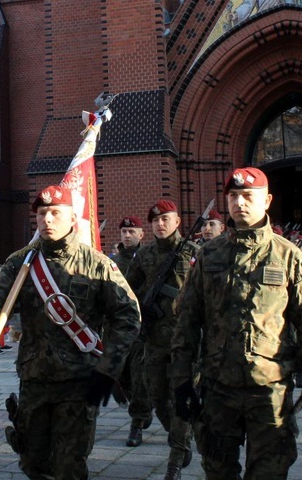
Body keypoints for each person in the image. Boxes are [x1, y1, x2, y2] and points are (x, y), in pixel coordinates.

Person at [0, 185, 141, 480]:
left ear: (72, 218)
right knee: (31, 461)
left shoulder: (96, 264)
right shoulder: (20, 262)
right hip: (34, 379)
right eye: (42, 213)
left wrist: (109, 369)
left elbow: (128, 316)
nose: (47, 219)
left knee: (68, 466)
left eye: (55, 213)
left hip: (79, 381)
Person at [172, 166, 302, 479]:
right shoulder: (209, 255)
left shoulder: (289, 257)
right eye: (233, 196)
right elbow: (187, 321)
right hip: (218, 391)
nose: (239, 202)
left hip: (269, 391)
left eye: (247, 196)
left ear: (267, 200)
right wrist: (181, 382)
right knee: (217, 471)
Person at [125, 199, 198, 480]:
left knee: (180, 398)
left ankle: (176, 461)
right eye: (155, 220)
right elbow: (128, 292)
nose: (160, 224)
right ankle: (177, 435)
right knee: (157, 396)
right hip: (154, 339)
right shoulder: (143, 256)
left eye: (166, 219)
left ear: (177, 221)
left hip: (185, 342)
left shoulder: (193, 254)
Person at [110, 216, 152, 447]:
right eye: (124, 231)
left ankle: (137, 423)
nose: (127, 235)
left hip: (141, 329)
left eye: (132, 231)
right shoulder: (113, 262)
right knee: (121, 376)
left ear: (141, 234)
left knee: (139, 378)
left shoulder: (147, 258)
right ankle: (143, 410)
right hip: (118, 329)